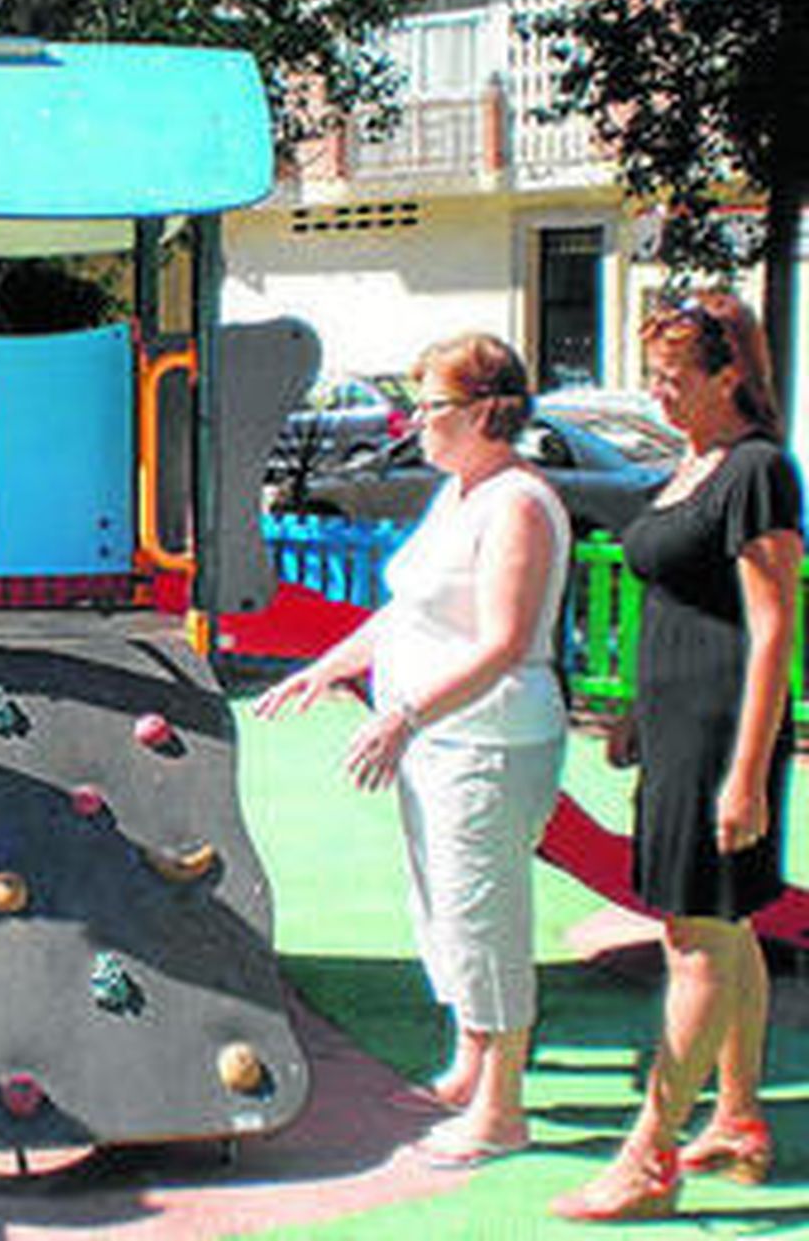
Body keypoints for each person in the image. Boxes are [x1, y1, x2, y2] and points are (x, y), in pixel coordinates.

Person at [254, 334, 571, 1167]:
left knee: (485, 914)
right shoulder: (463, 492)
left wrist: (402, 715)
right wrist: (327, 669)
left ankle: (502, 1107)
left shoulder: (519, 503)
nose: (415, 421)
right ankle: (470, 1065)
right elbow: (406, 612)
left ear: (481, 411)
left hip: (489, 739)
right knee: (445, 906)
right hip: (446, 739)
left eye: (430, 405)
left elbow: (504, 641)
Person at [551, 292, 801, 1222]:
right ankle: (738, 1115)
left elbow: (773, 628)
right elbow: (676, 600)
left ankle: (649, 1153)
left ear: (729, 375)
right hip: (676, 730)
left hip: (722, 737)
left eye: (672, 377)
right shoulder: (693, 463)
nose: (656, 393)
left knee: (696, 940)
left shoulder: (757, 470)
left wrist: (745, 771)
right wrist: (632, 717)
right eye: (652, 374)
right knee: (719, 930)